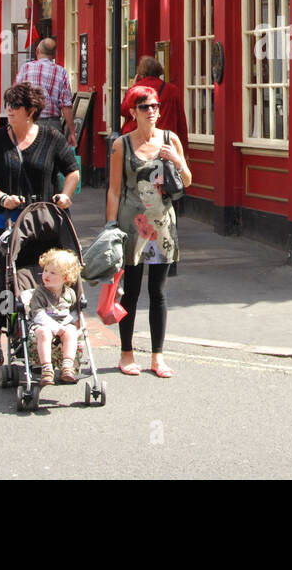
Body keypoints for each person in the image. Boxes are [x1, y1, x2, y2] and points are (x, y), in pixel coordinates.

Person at [0, 81, 80, 365]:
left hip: (45, 221)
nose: (9, 109)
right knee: (9, 282)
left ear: (31, 111)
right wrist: (2, 197)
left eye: (15, 106)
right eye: (8, 104)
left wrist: (65, 196)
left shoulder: (52, 137)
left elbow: (72, 171)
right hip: (7, 221)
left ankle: (39, 335)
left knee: (48, 280)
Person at [105, 85, 190, 379]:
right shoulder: (121, 146)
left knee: (159, 292)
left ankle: (157, 356)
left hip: (163, 226)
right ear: (133, 112)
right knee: (131, 292)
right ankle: (126, 352)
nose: (152, 111)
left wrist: (176, 160)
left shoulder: (170, 139)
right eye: (145, 107)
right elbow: (114, 190)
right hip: (131, 225)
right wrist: (110, 227)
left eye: (154, 106)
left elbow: (188, 180)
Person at [21, 249, 81, 386]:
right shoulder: (39, 293)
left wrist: (73, 321)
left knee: (71, 331)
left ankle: (67, 366)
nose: (46, 275)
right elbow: (38, 314)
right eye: (46, 271)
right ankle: (46, 368)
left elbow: (72, 311)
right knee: (45, 333)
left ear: (65, 278)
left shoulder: (69, 293)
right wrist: (55, 328)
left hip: (63, 323)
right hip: (41, 324)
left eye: (52, 273)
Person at [15, 38, 76, 147]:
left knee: (28, 158)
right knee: (52, 159)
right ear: (53, 55)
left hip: (29, 122)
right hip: (52, 125)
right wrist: (72, 132)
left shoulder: (25, 68)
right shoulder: (61, 72)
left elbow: (16, 96)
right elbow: (66, 105)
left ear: (37, 51)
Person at [118, 56, 188, 151]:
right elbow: (181, 122)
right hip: (165, 142)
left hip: (137, 142)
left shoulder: (135, 90)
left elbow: (124, 110)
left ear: (141, 72)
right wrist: (184, 149)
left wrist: (134, 85)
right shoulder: (173, 91)